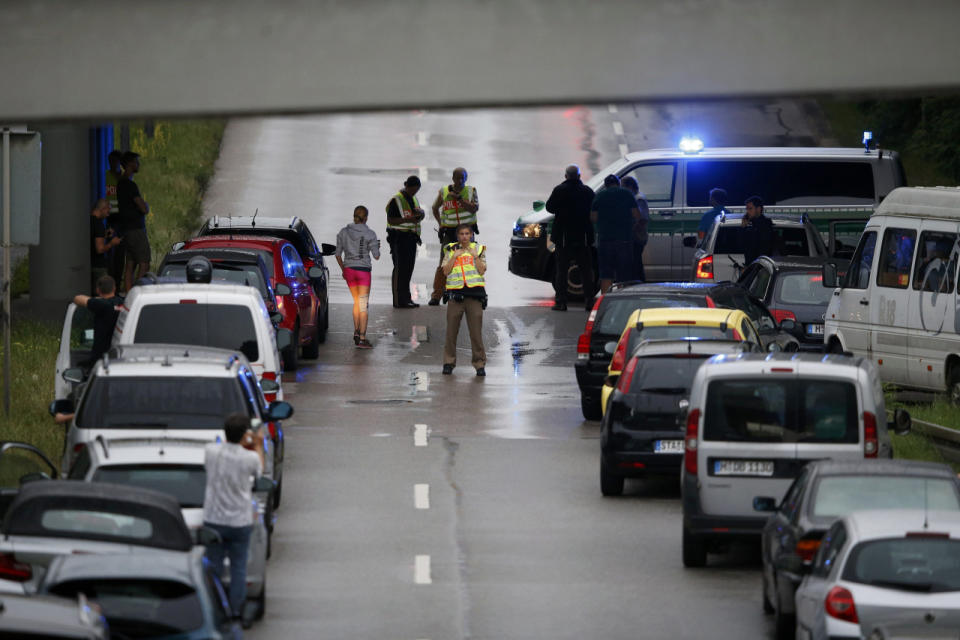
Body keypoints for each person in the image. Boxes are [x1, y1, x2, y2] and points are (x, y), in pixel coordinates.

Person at [203, 413, 265, 627]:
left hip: (214, 520)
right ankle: (236, 611)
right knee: (239, 568)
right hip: (240, 521)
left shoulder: (211, 452)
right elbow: (260, 471)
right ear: (245, 433)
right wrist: (256, 443)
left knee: (214, 566)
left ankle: (215, 608)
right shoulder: (249, 457)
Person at [546, 164, 595, 311]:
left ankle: (561, 302)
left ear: (566, 176)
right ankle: (589, 302)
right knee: (586, 270)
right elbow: (594, 208)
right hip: (583, 237)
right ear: (579, 176)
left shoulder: (559, 190)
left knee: (561, 270)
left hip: (563, 238)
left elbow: (549, 207)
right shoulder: (587, 192)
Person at [441, 223, 487, 377]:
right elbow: (445, 271)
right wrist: (454, 256)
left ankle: (479, 364)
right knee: (451, 333)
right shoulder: (450, 249)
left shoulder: (479, 249)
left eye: (467, 233)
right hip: (456, 296)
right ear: (458, 236)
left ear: (472, 235)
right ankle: (448, 363)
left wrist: (474, 256)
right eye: (462, 234)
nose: (465, 237)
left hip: (474, 296)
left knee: (476, 333)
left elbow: (482, 270)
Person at [429, 167, 479, 305]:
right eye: (458, 177)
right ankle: (436, 295)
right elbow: (434, 208)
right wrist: (440, 224)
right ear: (453, 178)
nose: (460, 180)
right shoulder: (444, 192)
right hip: (449, 232)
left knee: (466, 263)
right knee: (443, 264)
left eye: (463, 177)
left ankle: (464, 293)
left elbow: (474, 208)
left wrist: (460, 200)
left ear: (466, 178)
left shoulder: (471, 191)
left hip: (466, 233)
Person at [336, 205, 381, 348]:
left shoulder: (343, 232)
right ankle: (362, 338)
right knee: (363, 305)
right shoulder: (370, 234)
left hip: (349, 271)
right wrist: (376, 247)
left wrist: (344, 270)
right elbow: (376, 256)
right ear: (366, 218)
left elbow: (337, 254)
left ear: (354, 216)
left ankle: (356, 331)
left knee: (356, 302)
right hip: (363, 272)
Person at [590, 174, 641, 293]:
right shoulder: (627, 194)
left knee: (606, 275)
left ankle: (606, 302)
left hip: (605, 240)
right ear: (618, 183)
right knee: (623, 275)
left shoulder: (600, 196)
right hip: (624, 240)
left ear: (606, 185)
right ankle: (621, 302)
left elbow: (593, 218)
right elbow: (637, 215)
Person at [386, 176, 425, 308]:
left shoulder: (413, 198)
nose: (414, 193)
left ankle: (406, 298)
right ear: (407, 186)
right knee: (399, 269)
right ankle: (398, 300)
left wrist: (421, 214)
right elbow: (391, 220)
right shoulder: (396, 200)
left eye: (417, 190)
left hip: (411, 238)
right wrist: (408, 220)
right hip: (398, 238)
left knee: (408, 269)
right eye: (413, 190)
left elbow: (415, 216)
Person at [116, 151, 151, 293]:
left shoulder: (120, 184)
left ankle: (127, 291)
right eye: (136, 161)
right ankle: (138, 291)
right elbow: (143, 208)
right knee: (144, 262)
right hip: (136, 229)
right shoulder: (130, 185)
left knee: (130, 263)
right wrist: (146, 206)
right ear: (130, 164)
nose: (138, 164)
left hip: (126, 230)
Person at [72, 275, 123, 368]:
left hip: (100, 359)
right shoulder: (123, 303)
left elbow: (77, 298)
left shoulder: (100, 304)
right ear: (114, 288)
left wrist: (94, 299)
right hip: (120, 355)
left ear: (98, 290)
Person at [89, 198, 122, 292]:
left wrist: (104, 235)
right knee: (104, 293)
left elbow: (92, 238)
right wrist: (112, 243)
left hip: (88, 263)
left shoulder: (88, 220)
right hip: (98, 266)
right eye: (108, 209)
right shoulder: (99, 224)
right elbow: (99, 249)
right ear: (102, 209)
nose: (109, 212)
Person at [621, 176, 650, 283]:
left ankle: (639, 285)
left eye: (623, 186)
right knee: (635, 263)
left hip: (637, 237)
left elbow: (643, 219)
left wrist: (631, 230)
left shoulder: (638, 199)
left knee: (636, 263)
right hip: (637, 236)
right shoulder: (636, 197)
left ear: (630, 186)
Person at [105, 150, 125, 283]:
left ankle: (117, 280)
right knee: (111, 250)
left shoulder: (124, 178)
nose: (113, 164)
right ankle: (111, 278)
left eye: (116, 161)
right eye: (111, 161)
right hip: (110, 218)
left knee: (120, 252)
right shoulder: (105, 176)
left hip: (122, 219)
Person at [741, 195, 775, 266]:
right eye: (747, 209)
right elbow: (741, 245)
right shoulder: (751, 224)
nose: (747, 211)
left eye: (750, 209)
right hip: (751, 266)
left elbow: (763, 249)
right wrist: (743, 228)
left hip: (760, 267)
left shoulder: (765, 225)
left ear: (758, 209)